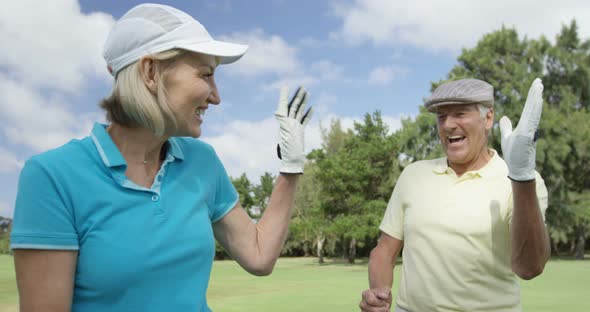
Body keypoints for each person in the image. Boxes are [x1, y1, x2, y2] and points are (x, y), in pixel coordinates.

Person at [10, 3, 312, 312]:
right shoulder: (52, 176)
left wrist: (290, 167)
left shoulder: (201, 161)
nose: (216, 96)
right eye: (206, 75)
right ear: (151, 72)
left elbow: (259, 256)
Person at [359, 78, 549, 312]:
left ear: (488, 118)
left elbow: (530, 267)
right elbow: (384, 251)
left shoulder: (524, 183)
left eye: (460, 113)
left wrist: (521, 177)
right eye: (441, 116)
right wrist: (379, 292)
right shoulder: (413, 174)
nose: (448, 124)